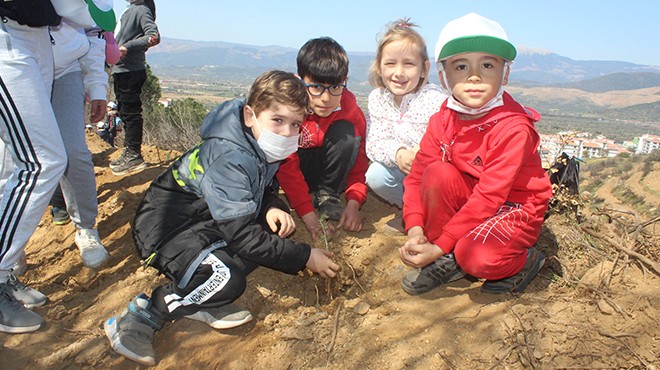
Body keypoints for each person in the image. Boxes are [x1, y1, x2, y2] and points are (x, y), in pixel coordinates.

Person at [104, 70, 340, 366]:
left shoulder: (256, 144)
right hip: (167, 229)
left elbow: (260, 188)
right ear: (250, 115)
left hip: (207, 221)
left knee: (266, 236)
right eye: (277, 120)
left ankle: (200, 299)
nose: (286, 133)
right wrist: (305, 256)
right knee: (228, 277)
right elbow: (242, 237)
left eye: (295, 124)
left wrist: (272, 206)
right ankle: (144, 314)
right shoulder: (230, 155)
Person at [399, 13, 553, 296]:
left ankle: (524, 260)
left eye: (487, 64)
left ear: (504, 73)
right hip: (474, 199)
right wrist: (415, 229)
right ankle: (451, 254)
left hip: (513, 206)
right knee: (436, 174)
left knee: (477, 258)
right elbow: (417, 178)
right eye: (461, 66)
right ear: (444, 76)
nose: (474, 76)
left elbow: (489, 196)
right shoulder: (443, 119)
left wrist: (440, 244)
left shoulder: (513, 127)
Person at [0, 1, 65, 334]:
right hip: (6, 32)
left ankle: (6, 270)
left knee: (15, 161)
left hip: (37, 33)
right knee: (42, 161)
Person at [276, 37, 369, 240]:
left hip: (329, 173)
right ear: (300, 79)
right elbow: (286, 165)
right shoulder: (289, 109)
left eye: (335, 87)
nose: (326, 98)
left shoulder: (350, 110)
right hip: (295, 170)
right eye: (316, 87)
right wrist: (308, 216)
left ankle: (327, 195)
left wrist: (354, 202)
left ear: (345, 81)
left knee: (348, 133)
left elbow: (360, 164)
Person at [364, 18, 446, 233]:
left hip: (432, 172)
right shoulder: (377, 98)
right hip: (401, 168)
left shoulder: (435, 99)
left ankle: (435, 214)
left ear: (423, 69)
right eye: (390, 63)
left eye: (408, 63)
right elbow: (374, 143)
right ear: (379, 68)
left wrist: (424, 153)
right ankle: (413, 211)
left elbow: (447, 137)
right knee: (376, 175)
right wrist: (398, 153)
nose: (399, 72)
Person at [109, 0, 159, 175]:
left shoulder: (141, 10)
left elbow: (153, 36)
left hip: (130, 69)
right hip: (122, 69)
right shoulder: (131, 10)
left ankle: (134, 155)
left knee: (130, 113)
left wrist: (127, 47)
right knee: (124, 111)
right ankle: (130, 152)